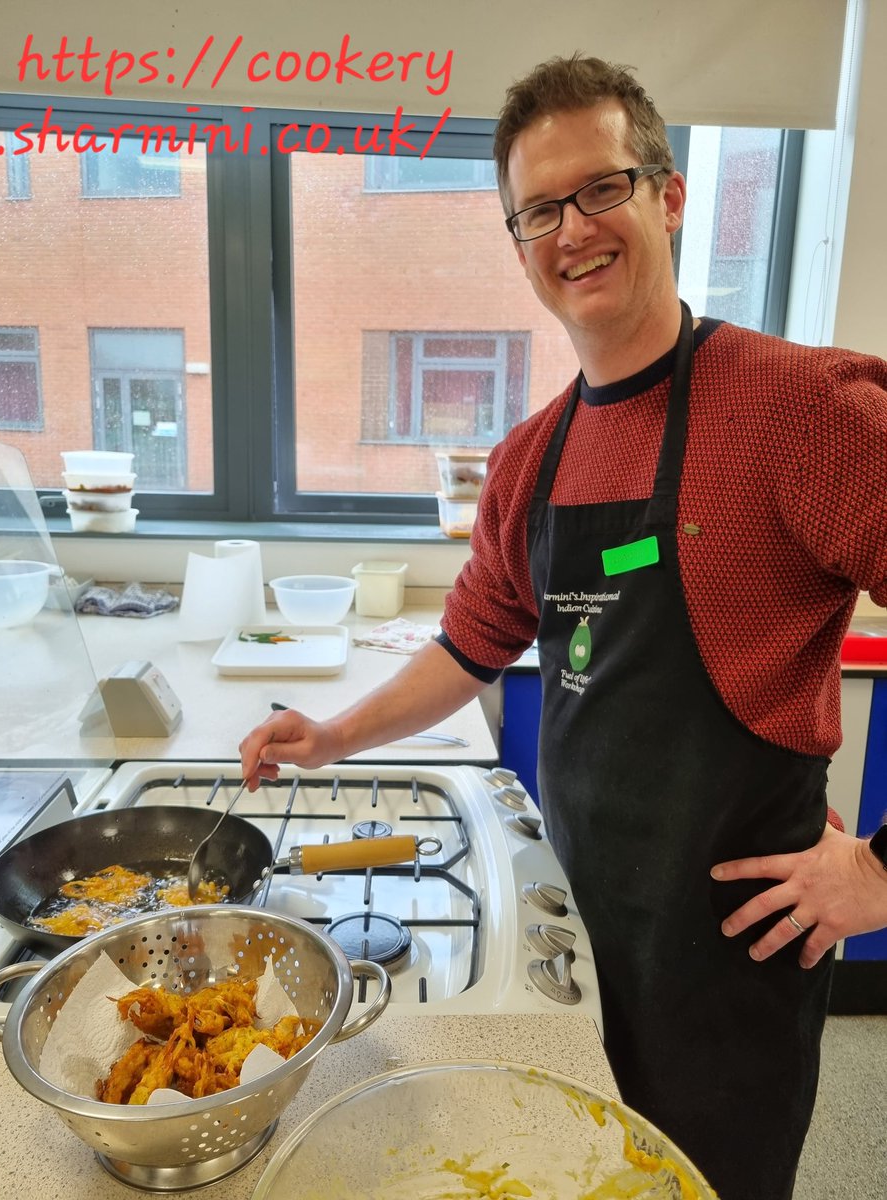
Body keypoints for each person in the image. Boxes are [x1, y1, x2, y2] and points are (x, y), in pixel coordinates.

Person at [240, 55, 887, 1200]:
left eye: (600, 189)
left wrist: (882, 872)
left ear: (668, 195)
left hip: (734, 959)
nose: (570, 231)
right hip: (574, 930)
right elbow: (470, 643)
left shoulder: (803, 414)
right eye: (538, 210)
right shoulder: (530, 458)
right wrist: (336, 735)